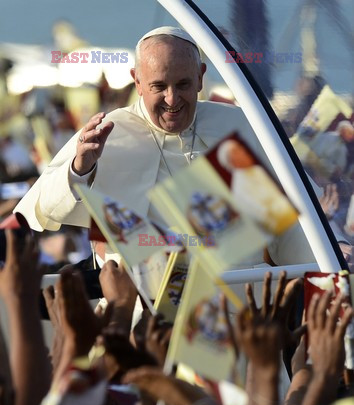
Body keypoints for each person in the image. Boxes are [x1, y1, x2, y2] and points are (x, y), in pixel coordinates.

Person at [13, 26, 349, 267]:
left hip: (243, 303)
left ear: (201, 77)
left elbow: (287, 216)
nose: (172, 99)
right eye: (159, 86)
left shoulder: (239, 125)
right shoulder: (109, 131)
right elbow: (41, 210)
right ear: (137, 81)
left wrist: (333, 252)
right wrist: (79, 168)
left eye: (184, 84)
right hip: (149, 318)